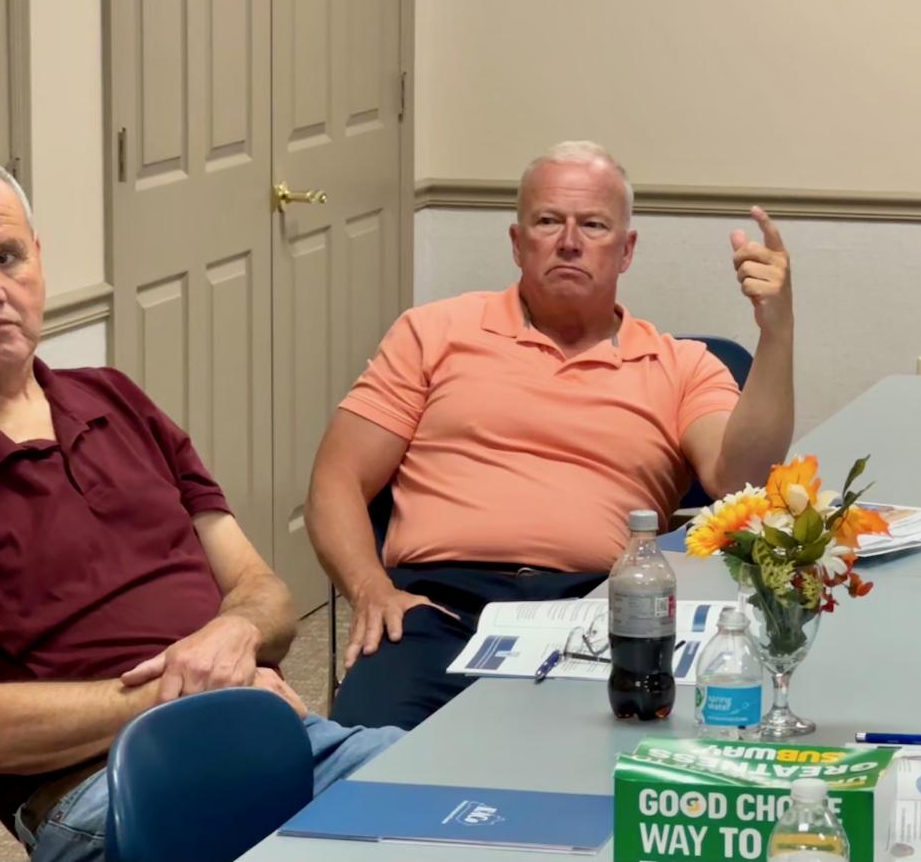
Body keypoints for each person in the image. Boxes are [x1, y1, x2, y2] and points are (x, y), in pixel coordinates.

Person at [0, 152, 402, 862]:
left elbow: (265, 594)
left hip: (274, 737)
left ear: (39, 260)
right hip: (114, 790)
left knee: (464, 800)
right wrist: (185, 694)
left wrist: (236, 632)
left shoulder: (114, 399)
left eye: (7, 257)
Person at [307, 140, 795, 730]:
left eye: (593, 224)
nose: (569, 241)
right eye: (547, 222)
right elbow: (336, 478)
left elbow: (740, 479)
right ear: (518, 243)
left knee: (605, 766)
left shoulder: (680, 366)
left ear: (626, 250)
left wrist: (776, 332)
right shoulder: (433, 333)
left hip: (597, 612)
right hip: (435, 607)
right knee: (364, 761)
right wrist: (369, 588)